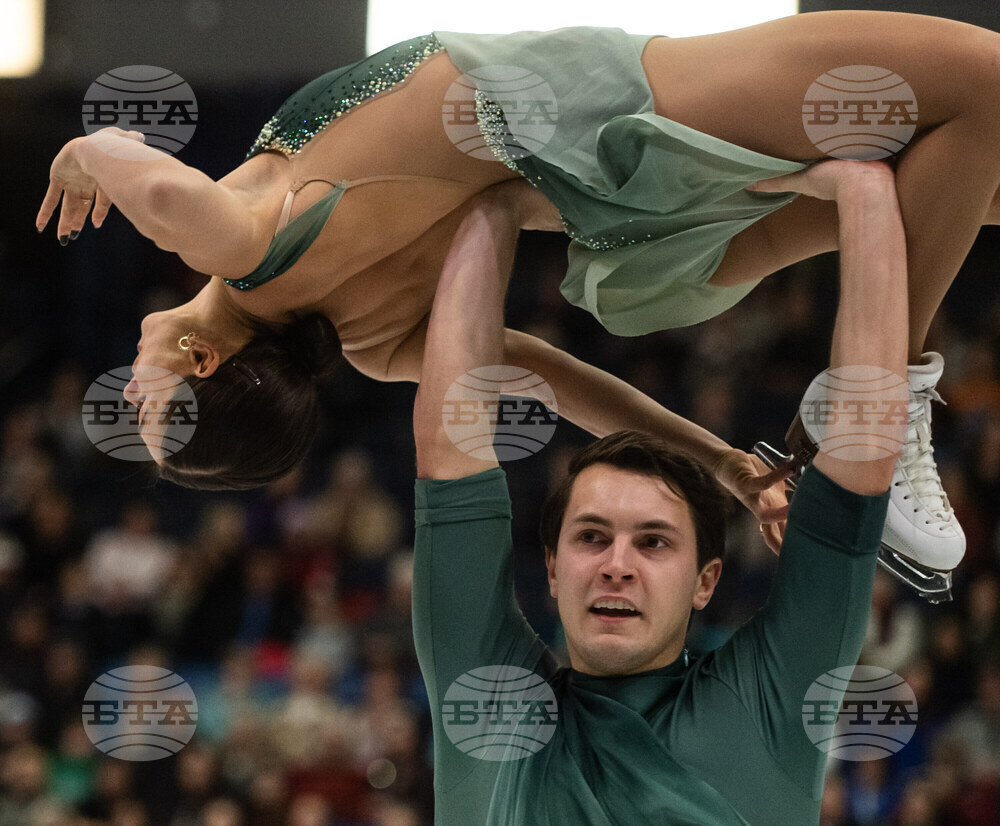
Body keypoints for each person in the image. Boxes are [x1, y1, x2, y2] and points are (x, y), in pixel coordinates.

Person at [37, 12, 995, 581]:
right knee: (984, 88)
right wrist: (87, 151)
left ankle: (877, 398)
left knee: (968, 178)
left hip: (629, 217)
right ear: (203, 361)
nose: (123, 395)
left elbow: (559, 383)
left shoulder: (375, 345)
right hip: (610, 113)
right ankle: (880, 400)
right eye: (146, 405)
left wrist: (728, 470)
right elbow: (162, 194)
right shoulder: (246, 244)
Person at [411, 156, 908, 823]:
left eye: (653, 542)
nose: (617, 565)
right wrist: (497, 206)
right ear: (553, 570)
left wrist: (861, 186)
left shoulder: (765, 703)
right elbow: (450, 448)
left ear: (705, 581)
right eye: (592, 537)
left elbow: (860, 463)